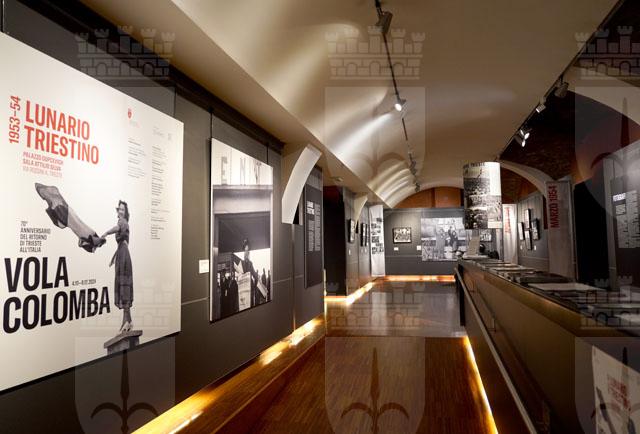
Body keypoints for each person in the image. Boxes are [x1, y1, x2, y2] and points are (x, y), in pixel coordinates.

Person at [102, 201, 134, 333]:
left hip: (124, 256)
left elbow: (117, 228)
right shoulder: (123, 223)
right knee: (123, 286)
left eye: (123, 210)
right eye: (119, 209)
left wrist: (106, 233)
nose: (120, 211)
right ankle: (128, 321)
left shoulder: (123, 222)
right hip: (121, 254)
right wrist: (113, 258)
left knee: (124, 286)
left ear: (125, 212)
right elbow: (122, 244)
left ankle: (126, 321)